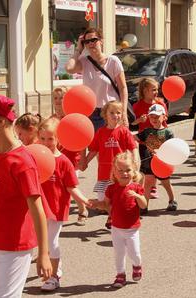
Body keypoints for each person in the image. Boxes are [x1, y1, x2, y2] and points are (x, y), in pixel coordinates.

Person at [0, 94, 53, 297]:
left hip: (14, 247)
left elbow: (37, 209)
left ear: (1, 122)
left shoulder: (22, 162)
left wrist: (43, 253)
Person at [37, 116, 91, 291]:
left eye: (50, 139)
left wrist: (84, 200)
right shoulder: (35, 157)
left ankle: (54, 276)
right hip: (38, 209)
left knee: (51, 242)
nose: (46, 142)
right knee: (41, 242)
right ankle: (54, 269)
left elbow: (71, 187)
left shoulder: (63, 162)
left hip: (55, 209)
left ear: (58, 139)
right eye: (42, 138)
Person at [89, 152, 147, 288]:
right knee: (119, 253)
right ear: (114, 172)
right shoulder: (111, 188)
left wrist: (138, 196)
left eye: (127, 170)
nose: (124, 173)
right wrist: (96, 203)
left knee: (135, 253)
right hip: (116, 228)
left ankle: (137, 265)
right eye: (120, 170)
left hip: (132, 229)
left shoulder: (136, 187)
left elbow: (144, 205)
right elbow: (106, 204)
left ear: (133, 171)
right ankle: (120, 275)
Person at [80, 101, 138, 228]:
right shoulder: (101, 132)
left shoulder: (124, 131)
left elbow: (133, 147)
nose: (115, 115)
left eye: (118, 112)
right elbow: (94, 150)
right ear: (105, 114)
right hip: (103, 174)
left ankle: (112, 218)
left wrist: (135, 163)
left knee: (117, 198)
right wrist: (85, 162)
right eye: (112, 112)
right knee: (103, 200)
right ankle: (113, 214)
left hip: (119, 173)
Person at [65, 27, 129, 130]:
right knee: (94, 145)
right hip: (91, 112)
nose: (90, 43)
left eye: (94, 40)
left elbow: (123, 88)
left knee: (111, 144)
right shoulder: (84, 61)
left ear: (101, 41)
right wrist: (78, 50)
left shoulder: (113, 61)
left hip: (110, 112)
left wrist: (124, 113)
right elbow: (69, 68)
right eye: (87, 41)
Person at [51, 87, 88, 225]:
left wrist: (83, 158)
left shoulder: (73, 118)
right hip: (57, 159)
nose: (58, 101)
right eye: (55, 98)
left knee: (70, 186)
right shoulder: (52, 119)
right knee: (60, 187)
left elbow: (83, 139)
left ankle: (82, 209)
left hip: (72, 158)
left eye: (62, 98)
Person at [135, 104, 178, 212]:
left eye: (157, 116)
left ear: (164, 117)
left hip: (162, 164)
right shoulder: (146, 131)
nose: (154, 119)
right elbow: (134, 137)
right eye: (152, 117)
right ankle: (144, 206)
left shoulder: (168, 132)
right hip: (149, 162)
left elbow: (172, 147)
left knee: (166, 183)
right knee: (148, 183)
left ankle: (172, 200)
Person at [132, 78, 167, 203]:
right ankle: (143, 188)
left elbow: (165, 122)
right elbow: (131, 123)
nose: (156, 92)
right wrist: (138, 121)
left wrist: (165, 138)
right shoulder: (137, 105)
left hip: (157, 138)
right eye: (153, 90)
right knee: (144, 167)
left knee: (155, 164)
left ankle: (153, 187)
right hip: (143, 141)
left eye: (157, 89)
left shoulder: (161, 104)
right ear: (145, 91)